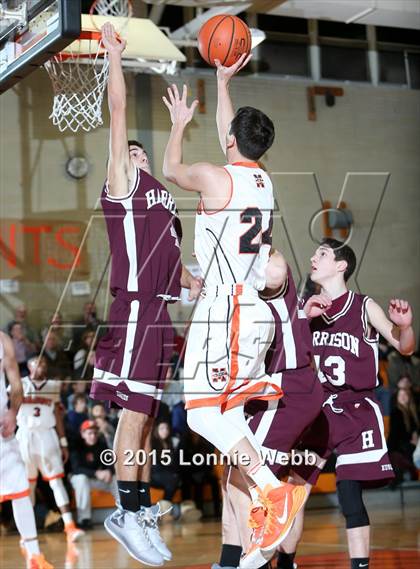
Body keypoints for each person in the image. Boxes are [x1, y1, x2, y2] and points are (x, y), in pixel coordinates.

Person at [162, 54, 307, 561]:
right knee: (224, 415)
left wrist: (179, 124)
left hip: (228, 310)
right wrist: (223, 82)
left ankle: (271, 490)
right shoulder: (262, 180)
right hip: (252, 311)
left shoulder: (212, 176)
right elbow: (232, 135)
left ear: (230, 143)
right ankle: (266, 503)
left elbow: (170, 169)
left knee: (201, 415)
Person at [89, 23, 201, 566]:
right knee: (133, 417)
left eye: (138, 150)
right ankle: (127, 511)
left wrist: (205, 287)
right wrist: (115, 58)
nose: (133, 150)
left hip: (160, 317)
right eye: (127, 151)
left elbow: (182, 280)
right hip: (134, 309)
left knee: (144, 419)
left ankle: (135, 509)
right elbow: (117, 114)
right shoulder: (124, 186)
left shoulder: (168, 209)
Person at [280, 238, 416, 569]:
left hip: (356, 409)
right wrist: (299, 318)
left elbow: (404, 347)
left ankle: (360, 566)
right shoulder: (307, 307)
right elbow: (284, 354)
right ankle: (285, 564)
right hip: (317, 410)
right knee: (294, 492)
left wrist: (406, 326)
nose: (313, 257)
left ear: (341, 265)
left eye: (322, 254)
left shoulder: (363, 306)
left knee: (349, 494)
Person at [15, 355, 84, 543]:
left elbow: (57, 415)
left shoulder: (53, 385)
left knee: (56, 482)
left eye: (44, 363)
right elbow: (8, 408)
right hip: (25, 435)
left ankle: (70, 526)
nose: (41, 366)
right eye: (37, 363)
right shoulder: (19, 383)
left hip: (46, 435)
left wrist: (63, 442)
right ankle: (27, 532)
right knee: (28, 485)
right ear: (29, 367)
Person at [0, 332, 53, 569]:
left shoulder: (3, 340)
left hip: (3, 426)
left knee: (21, 490)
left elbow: (16, 384)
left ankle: (34, 554)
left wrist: (12, 412)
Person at [69, 420, 117, 529]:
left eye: (95, 433)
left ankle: (125, 514)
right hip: (78, 479)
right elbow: (76, 469)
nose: (93, 436)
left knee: (115, 478)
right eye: (89, 433)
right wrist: (96, 473)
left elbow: (110, 461)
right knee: (81, 479)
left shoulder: (101, 443)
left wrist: (109, 471)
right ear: (82, 434)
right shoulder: (76, 445)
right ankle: (84, 519)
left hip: (96, 479)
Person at [387, 387, 419, 483]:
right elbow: (395, 434)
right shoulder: (396, 412)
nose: (403, 397)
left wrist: (416, 437)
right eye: (400, 395)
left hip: (411, 444)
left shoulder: (414, 412)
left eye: (405, 395)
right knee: (398, 456)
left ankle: (407, 473)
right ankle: (406, 473)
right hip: (399, 445)